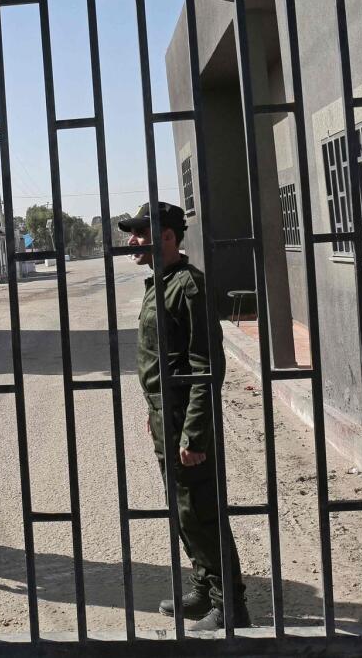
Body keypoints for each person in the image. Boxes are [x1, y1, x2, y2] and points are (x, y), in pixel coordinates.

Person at [119, 201, 248, 631]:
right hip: (165, 418)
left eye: (140, 233)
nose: (132, 240)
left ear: (168, 237)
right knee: (183, 510)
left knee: (201, 512)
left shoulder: (188, 286)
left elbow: (205, 364)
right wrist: (155, 411)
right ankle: (205, 586)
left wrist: (193, 432)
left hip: (185, 425)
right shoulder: (161, 283)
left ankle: (230, 606)